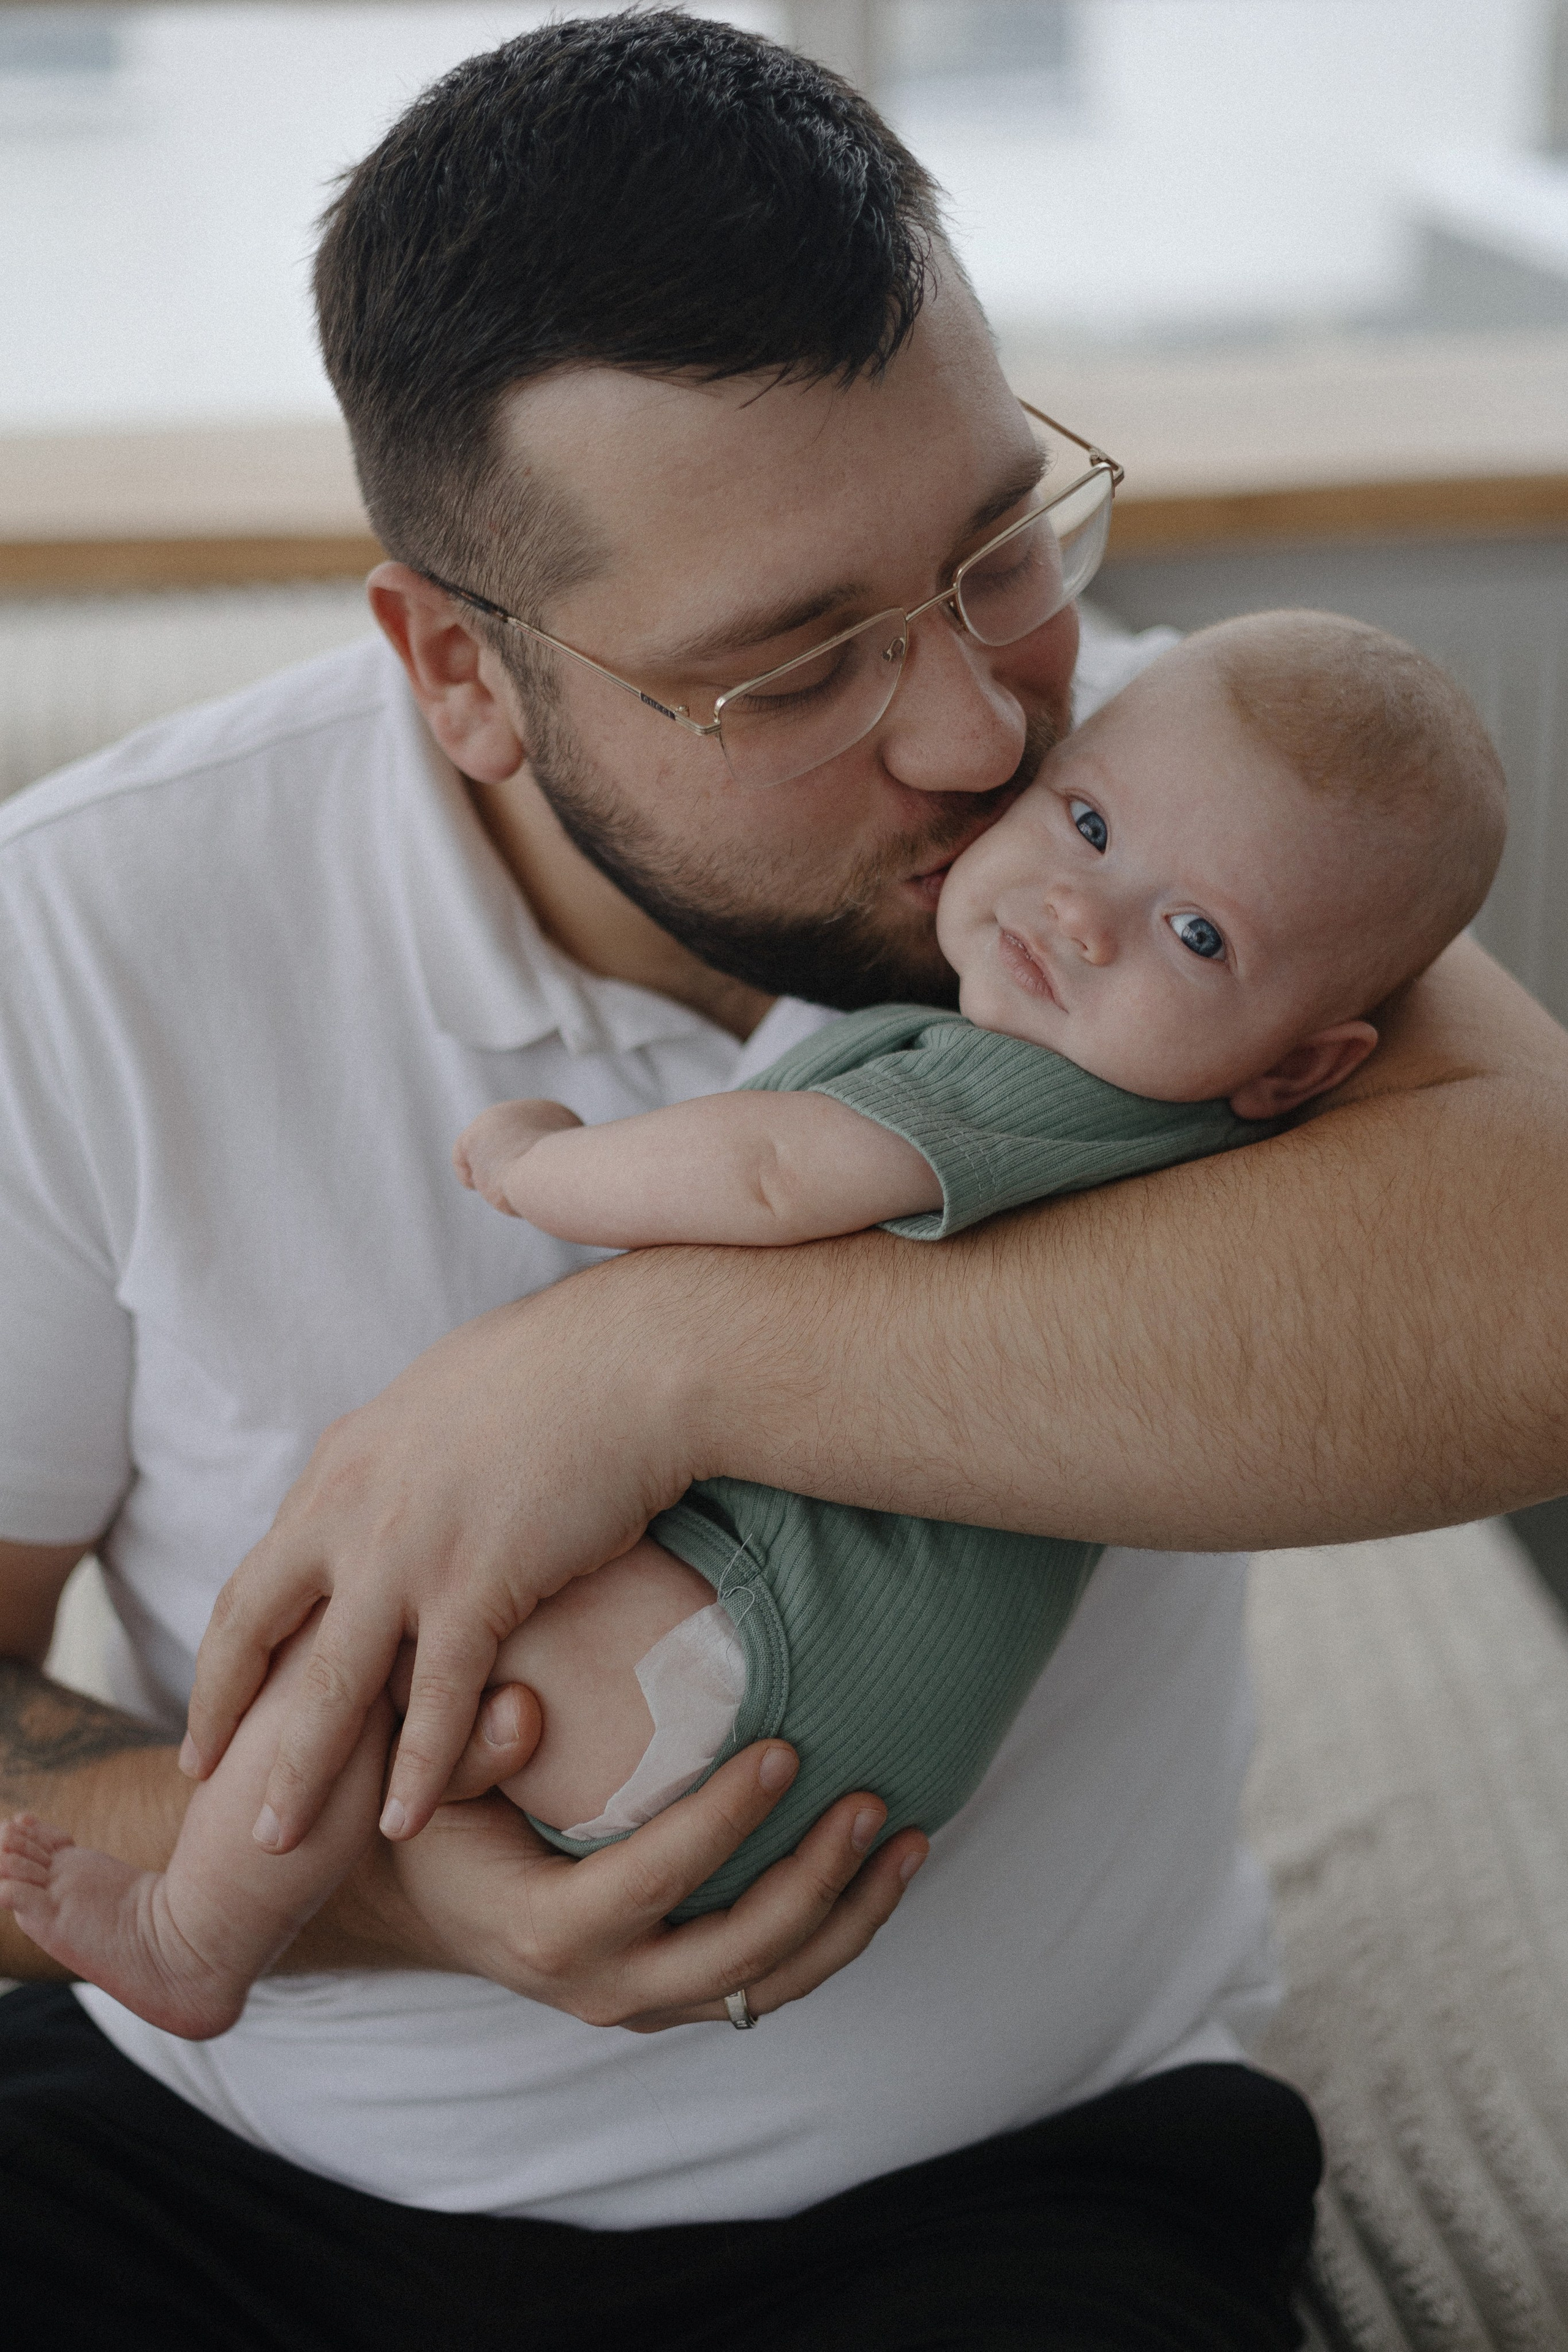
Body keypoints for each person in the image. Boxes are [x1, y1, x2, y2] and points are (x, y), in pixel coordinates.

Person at [1, 16, 1562, 2349]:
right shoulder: (90, 938)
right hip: (224, 2167)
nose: (970, 730)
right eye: (793, 669)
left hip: (1006, 2193)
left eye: (995, 546)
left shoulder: (1176, 818)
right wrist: (398, 1901)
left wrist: (660, 1360)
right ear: (458, 672)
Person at [0, 609, 1509, 2050]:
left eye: (1192, 935)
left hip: (718, 1671)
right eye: (1088, 830)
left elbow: (768, 1168)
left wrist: (539, 1162)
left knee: (377, 1637)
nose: (1076, 914)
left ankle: (200, 1932)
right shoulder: (1223, 1133)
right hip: (845, 1765)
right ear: (464, 665)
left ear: (1302, 1067)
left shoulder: (1018, 1082)